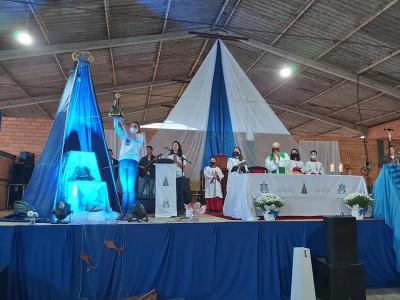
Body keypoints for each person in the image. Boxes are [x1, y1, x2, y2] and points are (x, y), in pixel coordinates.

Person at [114, 118, 144, 220]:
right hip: (122, 161)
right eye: (132, 126)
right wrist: (115, 119)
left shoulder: (139, 136)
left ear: (138, 129)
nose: (133, 127)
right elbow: (116, 128)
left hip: (132, 162)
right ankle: (123, 212)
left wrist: (122, 122)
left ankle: (130, 212)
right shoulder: (125, 136)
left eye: (135, 126)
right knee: (125, 189)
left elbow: (129, 135)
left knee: (130, 188)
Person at [168, 141, 188, 214]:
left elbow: (184, 167)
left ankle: (180, 209)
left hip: (179, 176)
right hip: (171, 177)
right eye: (173, 145)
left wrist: (177, 161)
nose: (174, 146)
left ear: (178, 147)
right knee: (172, 193)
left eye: (176, 145)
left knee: (180, 193)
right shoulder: (169, 156)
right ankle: (172, 208)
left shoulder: (182, 156)